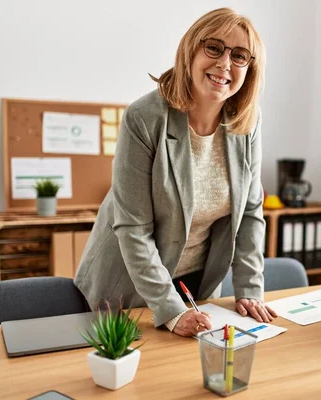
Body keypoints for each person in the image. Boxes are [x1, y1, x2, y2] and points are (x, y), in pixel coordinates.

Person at [74, 7, 277, 337]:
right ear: (191, 50)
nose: (225, 64)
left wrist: (249, 289)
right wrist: (169, 309)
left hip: (196, 288)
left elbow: (250, 212)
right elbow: (133, 228)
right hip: (129, 287)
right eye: (214, 48)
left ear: (249, 69)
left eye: (239, 56)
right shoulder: (145, 118)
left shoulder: (246, 124)